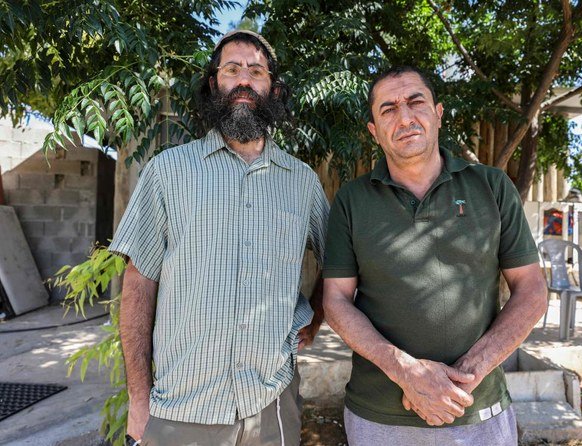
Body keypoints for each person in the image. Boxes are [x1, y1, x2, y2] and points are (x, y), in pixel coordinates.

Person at [109, 30, 329, 446]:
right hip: (182, 409)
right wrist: (139, 399)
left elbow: (338, 263)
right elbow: (138, 286)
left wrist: (314, 320)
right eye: (232, 69)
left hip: (272, 403)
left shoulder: (302, 182)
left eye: (256, 71)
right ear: (214, 84)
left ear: (273, 88)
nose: (244, 80)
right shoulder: (167, 172)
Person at [322, 66, 547, 445]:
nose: (405, 117)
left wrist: (463, 376)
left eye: (415, 102)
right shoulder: (351, 200)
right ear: (374, 132)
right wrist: (407, 372)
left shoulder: (491, 186)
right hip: (379, 416)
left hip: (477, 410)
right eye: (388, 109)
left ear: (438, 113)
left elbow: (532, 289)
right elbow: (336, 301)